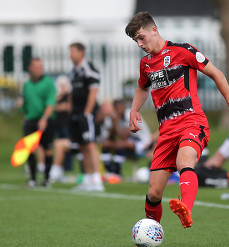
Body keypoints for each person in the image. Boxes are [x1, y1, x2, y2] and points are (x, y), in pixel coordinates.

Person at [125, 12, 229, 235]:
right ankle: (151, 234)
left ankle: (186, 208)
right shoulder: (145, 64)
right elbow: (142, 87)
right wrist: (134, 110)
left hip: (192, 123)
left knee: (185, 160)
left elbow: (217, 74)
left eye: (141, 37)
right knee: (154, 193)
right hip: (166, 132)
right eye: (136, 40)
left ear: (154, 30)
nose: (139, 44)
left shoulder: (182, 51)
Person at [68, 42, 104, 192]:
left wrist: (87, 113)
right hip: (75, 114)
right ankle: (88, 179)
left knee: (90, 144)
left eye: (73, 52)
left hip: (86, 114)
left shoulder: (89, 69)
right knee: (82, 146)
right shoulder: (72, 72)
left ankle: (97, 179)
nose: (70, 55)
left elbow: (93, 92)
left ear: (81, 52)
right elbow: (71, 94)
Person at [21, 58, 56, 187]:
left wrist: (44, 118)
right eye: (36, 67)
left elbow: (50, 102)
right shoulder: (27, 85)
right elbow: (25, 105)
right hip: (31, 120)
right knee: (29, 149)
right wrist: (24, 117)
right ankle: (33, 178)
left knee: (47, 149)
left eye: (40, 67)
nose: (39, 69)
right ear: (30, 68)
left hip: (46, 120)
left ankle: (47, 178)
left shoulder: (48, 83)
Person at [100, 99, 152, 182]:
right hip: (128, 141)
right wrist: (113, 124)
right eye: (116, 109)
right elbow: (110, 137)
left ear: (123, 107)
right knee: (105, 144)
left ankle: (116, 173)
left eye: (120, 108)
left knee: (122, 144)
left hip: (144, 143)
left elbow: (124, 136)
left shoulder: (129, 115)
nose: (118, 110)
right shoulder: (112, 117)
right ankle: (109, 172)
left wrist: (115, 123)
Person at [49, 76, 72, 181]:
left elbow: (66, 107)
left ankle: (66, 168)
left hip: (66, 124)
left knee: (65, 146)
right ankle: (59, 169)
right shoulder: (58, 96)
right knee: (58, 144)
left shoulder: (69, 96)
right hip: (58, 124)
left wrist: (58, 106)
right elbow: (53, 105)